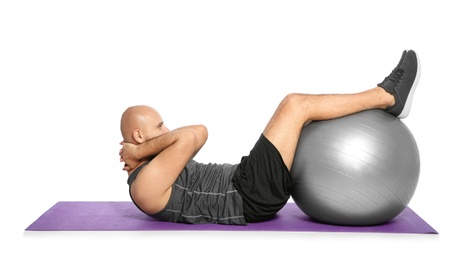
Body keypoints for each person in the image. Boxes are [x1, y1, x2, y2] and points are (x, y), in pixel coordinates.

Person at [119, 50, 420, 225]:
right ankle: (386, 95)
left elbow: (198, 133)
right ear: (138, 135)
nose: (166, 131)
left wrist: (140, 150)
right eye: (159, 127)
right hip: (247, 197)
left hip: (245, 180)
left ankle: (384, 96)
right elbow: (188, 137)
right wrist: (138, 154)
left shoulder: (157, 162)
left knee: (302, 115)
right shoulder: (145, 185)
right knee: (295, 105)